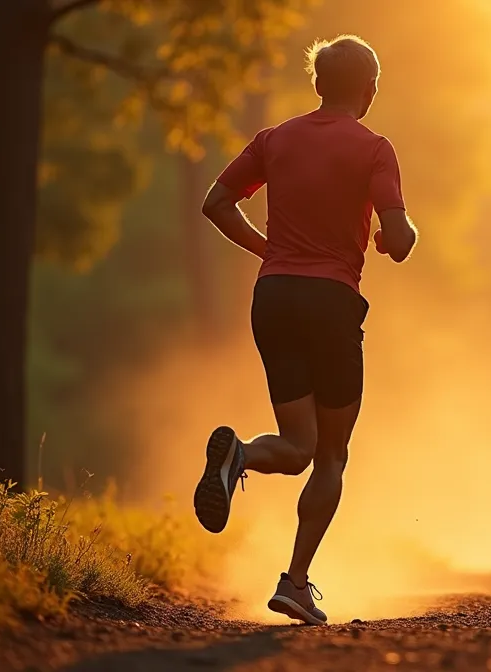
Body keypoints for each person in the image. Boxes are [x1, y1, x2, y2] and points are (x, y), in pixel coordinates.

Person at [193, 34, 417, 625]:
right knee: (331, 455)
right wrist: (396, 238)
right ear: (369, 91)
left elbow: (216, 202)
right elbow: (398, 238)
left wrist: (269, 249)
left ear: (317, 85)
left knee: (298, 444)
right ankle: (295, 582)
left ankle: (238, 455)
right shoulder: (375, 149)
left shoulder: (274, 140)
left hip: (274, 296)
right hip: (331, 301)